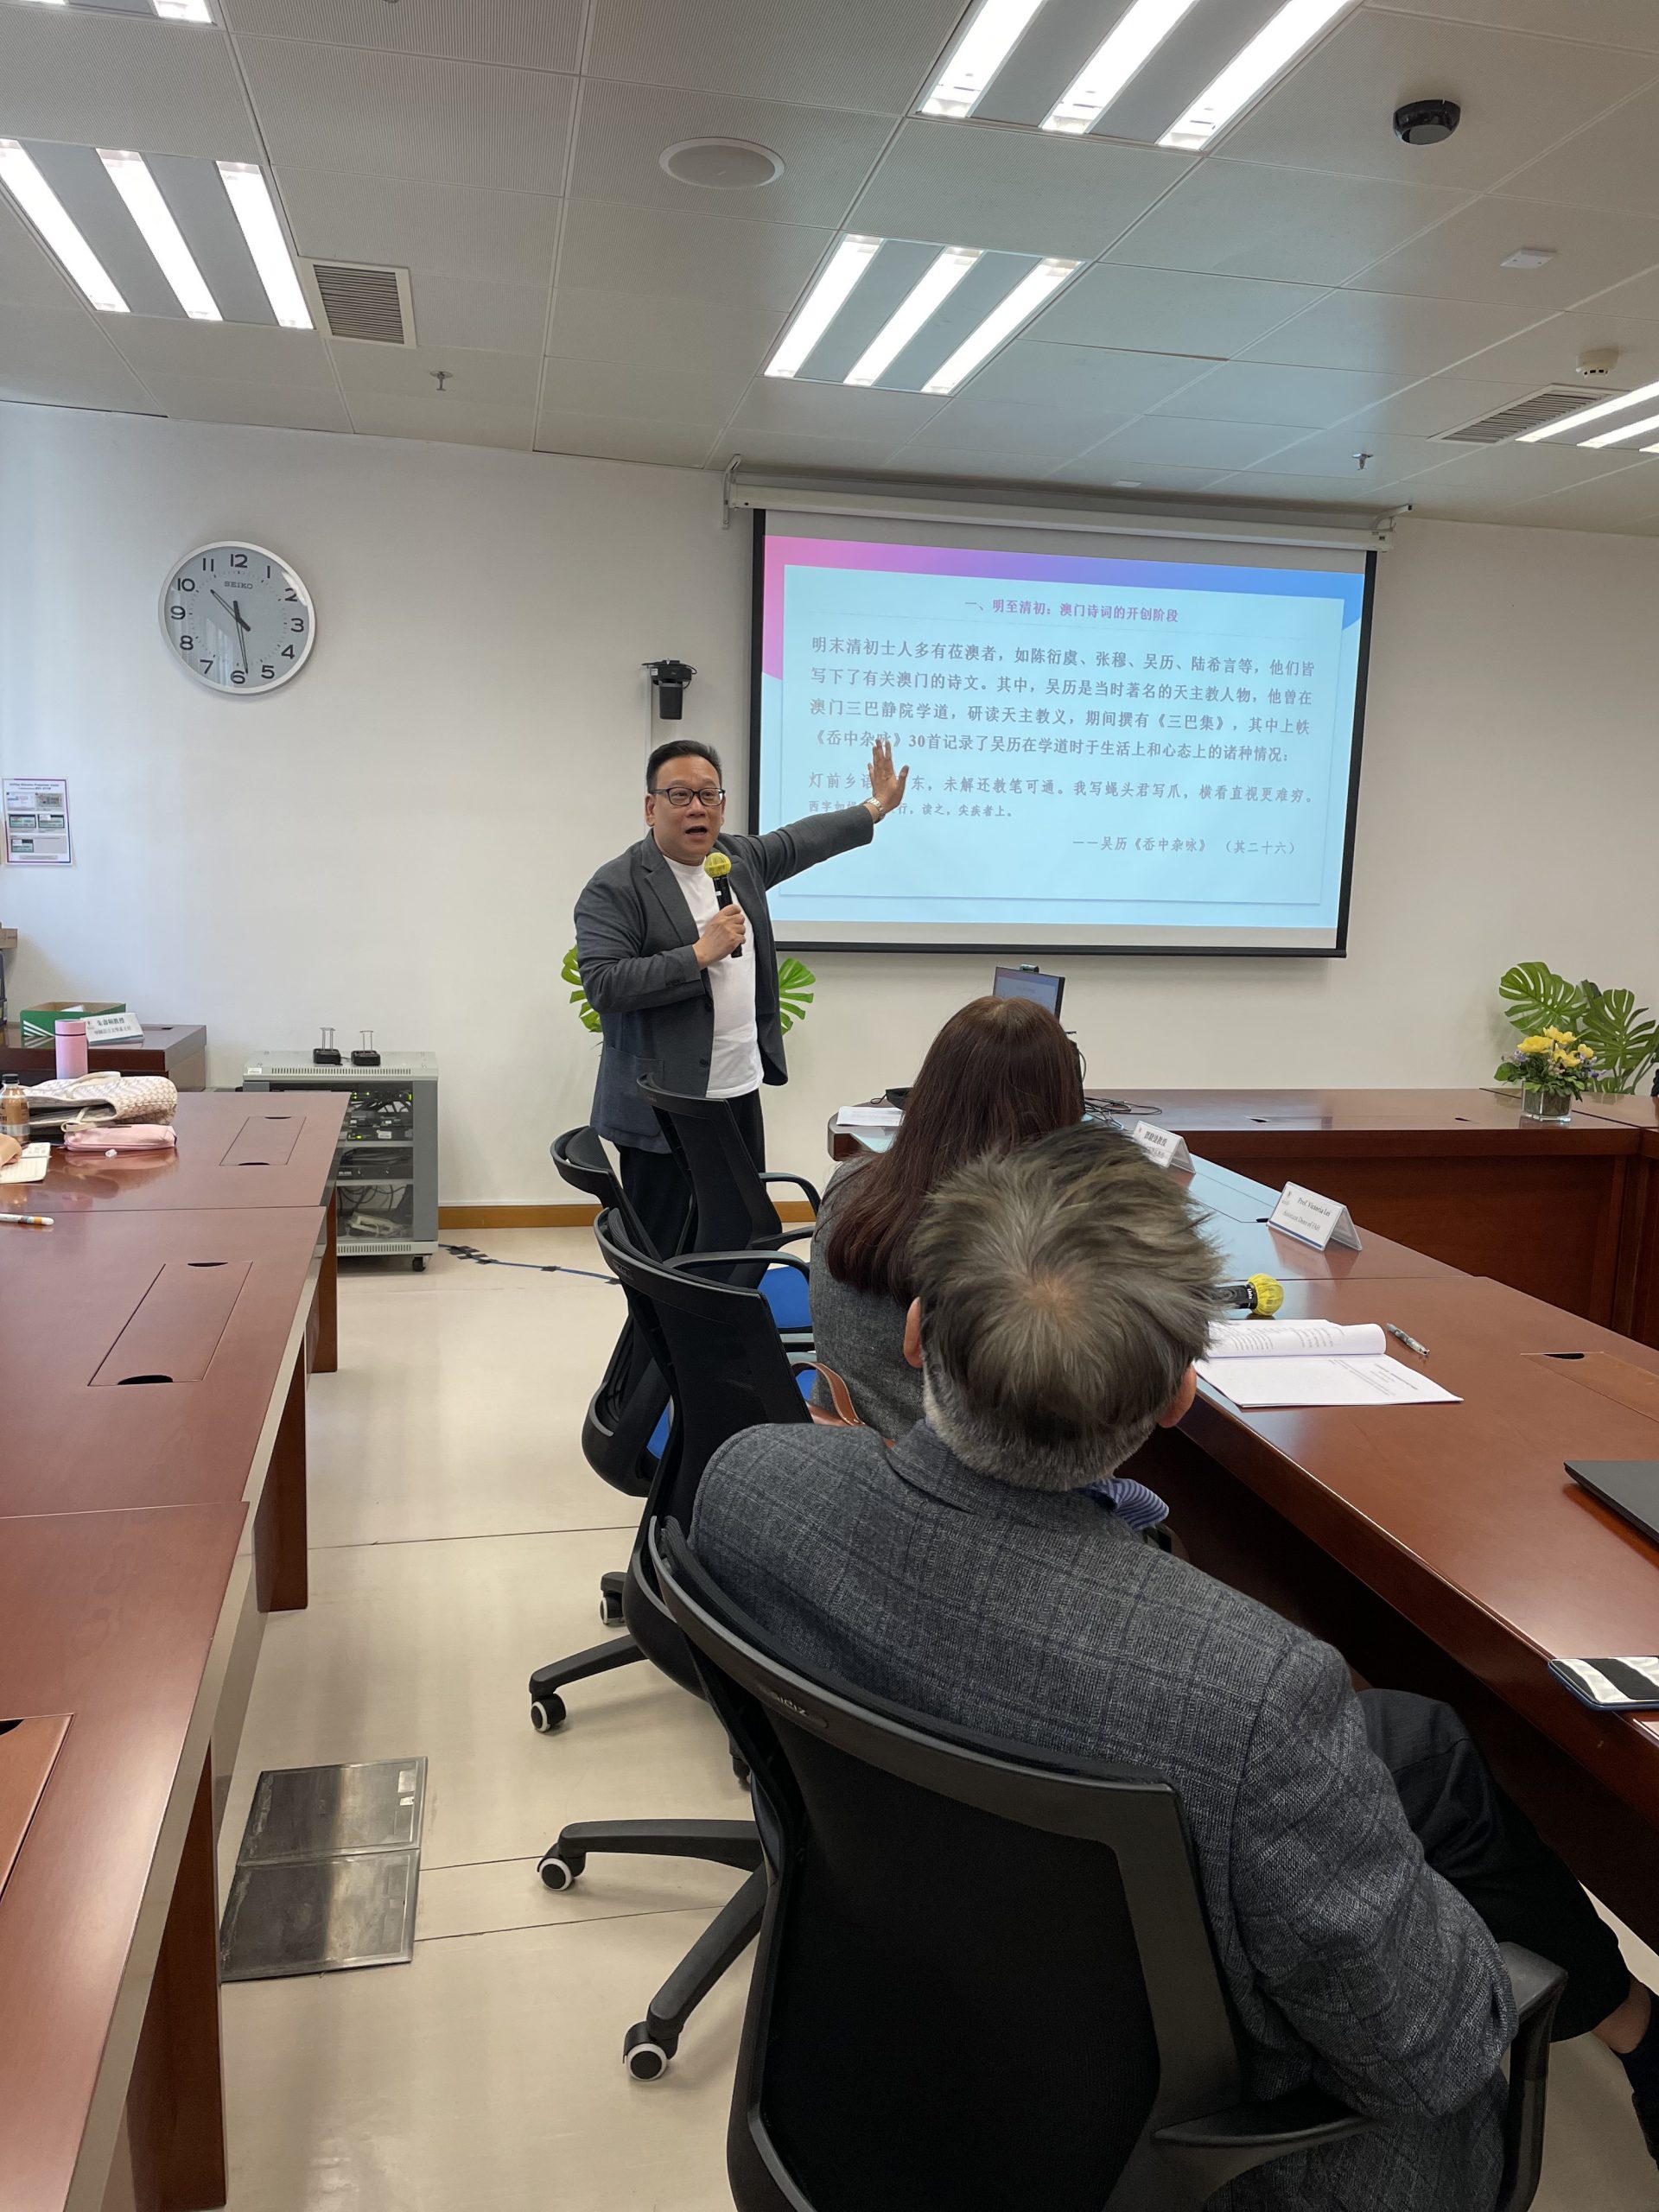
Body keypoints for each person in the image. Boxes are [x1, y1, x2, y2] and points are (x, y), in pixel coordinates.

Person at [694, 1124, 1659, 2208]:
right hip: (1183, 2167)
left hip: (865, 2062)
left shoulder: (751, 1486)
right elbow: (1422, 2056)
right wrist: (1485, 1957)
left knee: (1416, 1749)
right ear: (1178, 1398)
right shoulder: (1255, 1694)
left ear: (916, 1333)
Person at [810, 995, 1167, 1531]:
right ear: (1063, 1102)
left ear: (931, 1088)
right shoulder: (1029, 1249)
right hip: (966, 1500)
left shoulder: (851, 1182)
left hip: (840, 1458)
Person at [575, 736, 906, 1256]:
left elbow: (803, 840)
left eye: (709, 795)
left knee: (743, 1238)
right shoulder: (617, 885)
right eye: (680, 795)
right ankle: (662, 1316)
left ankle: (727, 1312)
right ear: (651, 808)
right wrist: (698, 954)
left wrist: (876, 806)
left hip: (737, 1090)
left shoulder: (737, 860)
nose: (697, 808)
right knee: (665, 1253)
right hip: (663, 1104)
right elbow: (604, 984)